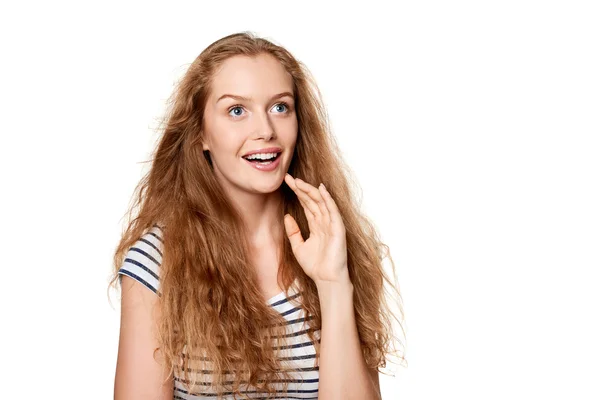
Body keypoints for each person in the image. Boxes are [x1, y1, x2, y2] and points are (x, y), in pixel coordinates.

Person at [108, 31, 405, 400]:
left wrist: (333, 283)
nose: (265, 130)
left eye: (280, 107)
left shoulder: (333, 243)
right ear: (201, 133)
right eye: (237, 111)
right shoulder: (156, 261)